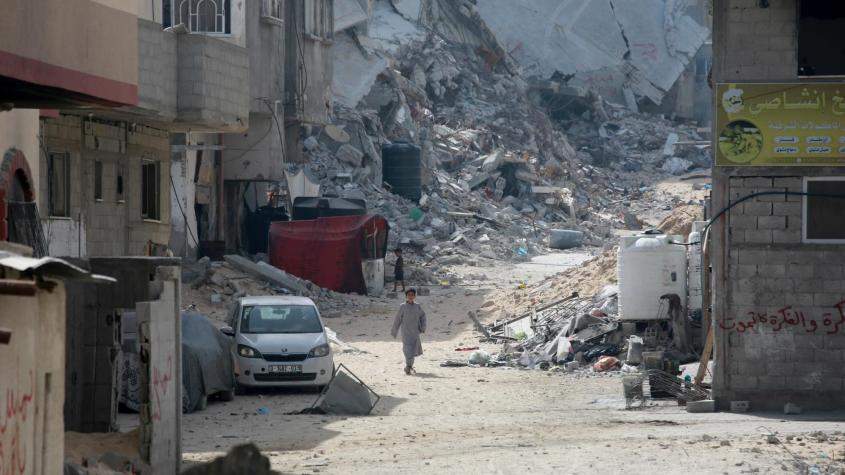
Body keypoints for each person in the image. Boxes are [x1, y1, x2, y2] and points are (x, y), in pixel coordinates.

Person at [391, 288, 426, 375]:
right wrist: (394, 331)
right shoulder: (402, 306)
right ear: (406, 296)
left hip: (415, 332)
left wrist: (423, 327)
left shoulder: (417, 306)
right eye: (409, 295)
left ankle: (409, 366)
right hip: (406, 332)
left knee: (413, 349)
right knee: (407, 349)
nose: (410, 296)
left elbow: (423, 316)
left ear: (414, 296)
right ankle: (408, 365)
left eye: (412, 295)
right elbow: (398, 319)